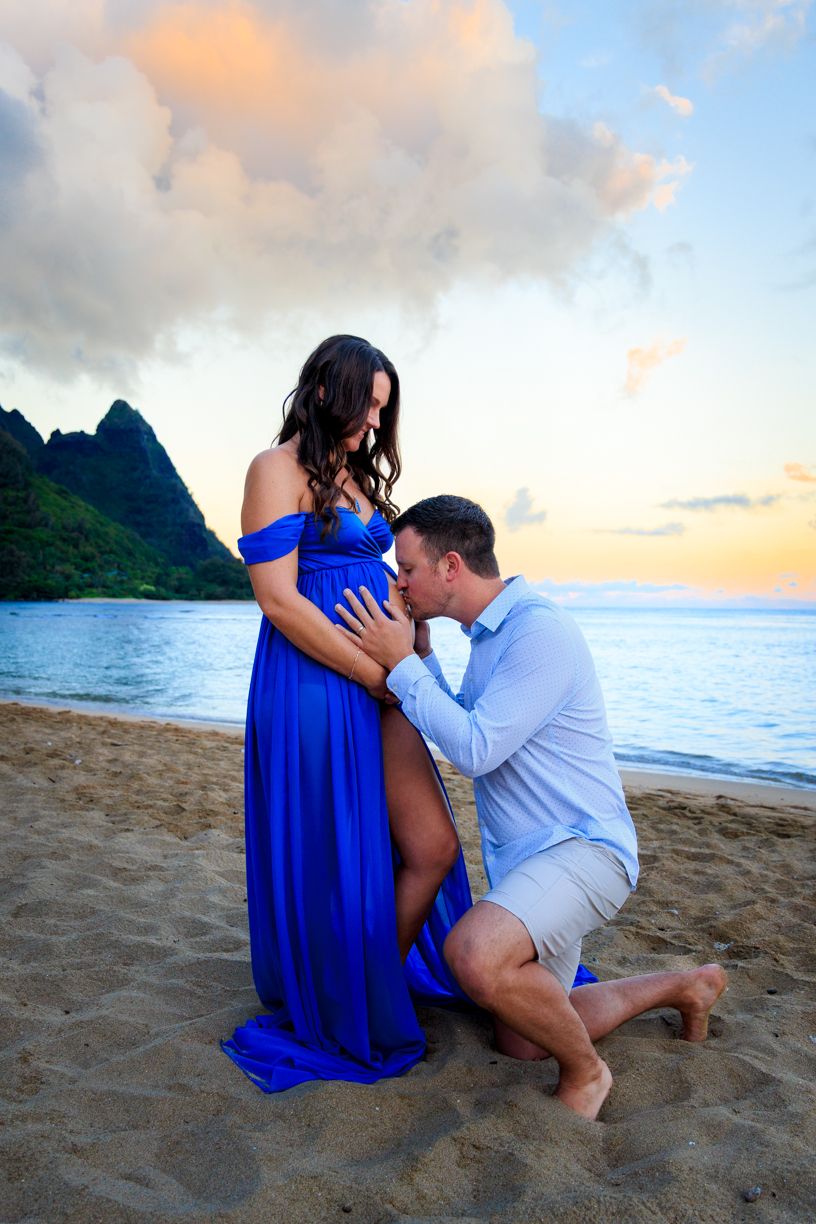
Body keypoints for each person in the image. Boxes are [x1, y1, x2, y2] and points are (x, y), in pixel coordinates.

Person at [336, 494, 728, 1120]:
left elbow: (476, 750)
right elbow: (465, 723)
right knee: (523, 1039)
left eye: (406, 568)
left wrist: (402, 664)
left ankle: (588, 1074)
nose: (399, 583)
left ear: (451, 566)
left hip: (585, 851)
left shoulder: (538, 631)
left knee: (472, 955)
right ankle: (686, 985)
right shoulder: (488, 638)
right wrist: (424, 658)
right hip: (531, 865)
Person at [221, 338, 472, 1092]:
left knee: (431, 847)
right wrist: (373, 673)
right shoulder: (275, 468)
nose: (374, 421)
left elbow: (382, 572)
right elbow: (278, 600)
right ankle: (352, 999)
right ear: (328, 390)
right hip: (316, 679)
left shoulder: (356, 476)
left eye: (384, 409)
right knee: (338, 851)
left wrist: (413, 644)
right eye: (368, 403)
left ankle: (365, 984)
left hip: (383, 677)